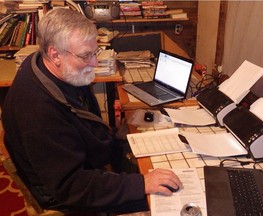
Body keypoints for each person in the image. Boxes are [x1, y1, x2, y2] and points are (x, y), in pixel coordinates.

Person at [1, 8, 182, 215]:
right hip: (71, 194)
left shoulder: (51, 66)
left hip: (83, 163)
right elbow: (71, 186)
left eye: (94, 52)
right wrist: (141, 183)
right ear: (55, 54)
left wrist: (116, 134)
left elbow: (82, 122)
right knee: (168, 198)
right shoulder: (38, 111)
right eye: (86, 56)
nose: (94, 63)